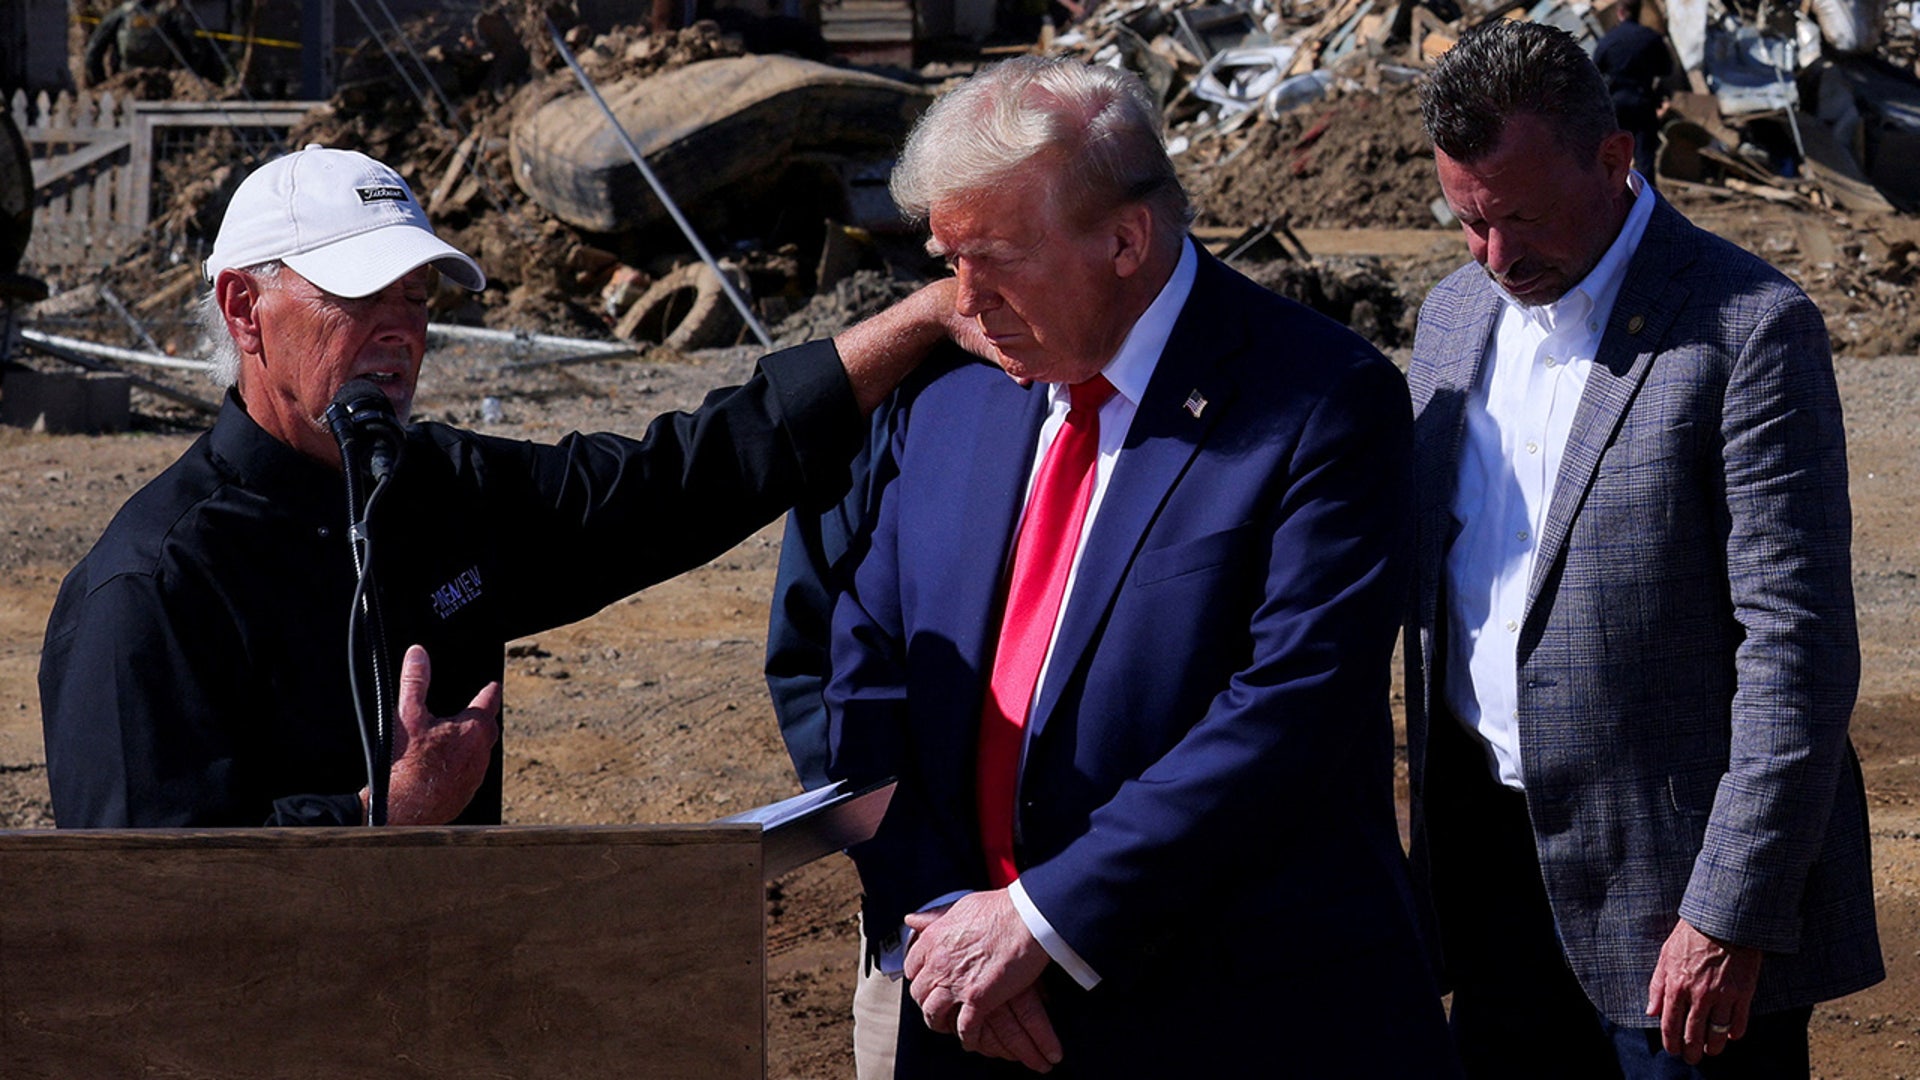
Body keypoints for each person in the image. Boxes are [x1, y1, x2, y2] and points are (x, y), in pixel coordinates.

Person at [825, 56, 1456, 1076]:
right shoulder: (954, 394)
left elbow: (1288, 709)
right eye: (946, 258)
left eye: (994, 258)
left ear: (1126, 239)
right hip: (971, 1011)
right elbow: (866, 669)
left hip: (1223, 1018)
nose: (963, 300)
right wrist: (942, 920)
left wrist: (1038, 923)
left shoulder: (1317, 401)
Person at [38, 144, 964, 828]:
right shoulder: (153, 588)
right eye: (361, 298)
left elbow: (668, 486)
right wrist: (379, 814)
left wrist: (921, 320)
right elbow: (139, 904)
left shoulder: (437, 491)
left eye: (418, 298)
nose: (400, 332)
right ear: (246, 309)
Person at [1406, 21, 1882, 1078]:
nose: (1495, 256)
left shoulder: (1747, 330)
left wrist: (1727, 914)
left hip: (1676, 911)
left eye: (1520, 217)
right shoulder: (1450, 320)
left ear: (1615, 160)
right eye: (1467, 222)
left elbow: (1794, 653)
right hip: (1495, 888)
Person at [1591, 0, 1675, 182]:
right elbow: (1667, 69)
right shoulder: (1651, 38)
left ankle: (1615, 200)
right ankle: (1646, 200)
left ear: (1620, 13)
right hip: (1643, 101)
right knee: (1645, 156)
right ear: (1638, 13)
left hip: (1616, 105)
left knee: (1612, 156)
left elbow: (1594, 71)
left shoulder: (1609, 40)